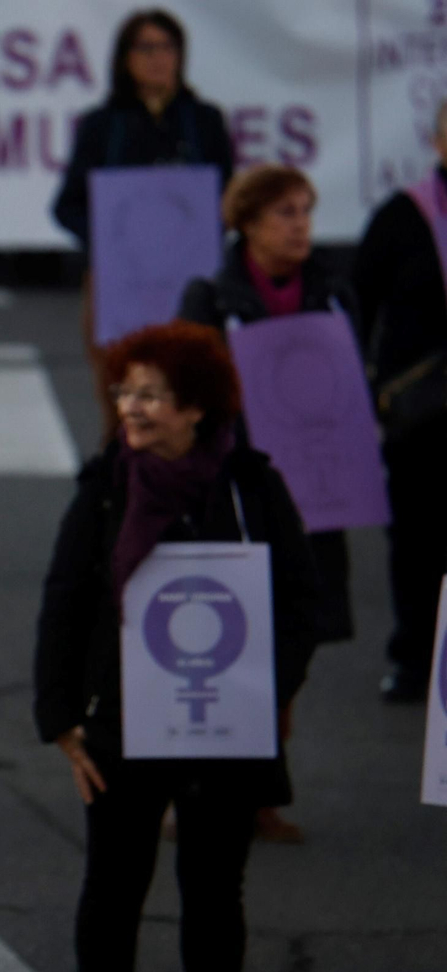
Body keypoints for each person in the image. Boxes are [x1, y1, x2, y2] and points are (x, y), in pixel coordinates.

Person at [33, 323, 320, 972]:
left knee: (216, 892)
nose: (131, 406)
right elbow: (64, 598)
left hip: (228, 724)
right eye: (126, 390)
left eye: (151, 394)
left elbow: (299, 601)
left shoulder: (253, 486)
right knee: (114, 884)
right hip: (124, 723)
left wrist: (267, 689)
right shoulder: (106, 489)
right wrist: (62, 720)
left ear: (197, 408)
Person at [178, 166, 358, 842]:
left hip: (315, 494)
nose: (300, 224)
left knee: (296, 636)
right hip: (237, 493)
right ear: (248, 224)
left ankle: (258, 785)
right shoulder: (211, 297)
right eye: (285, 212)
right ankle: (208, 787)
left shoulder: (334, 295)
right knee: (232, 639)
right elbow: (186, 389)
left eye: (307, 211)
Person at [51, 9, 234, 437]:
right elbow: (68, 206)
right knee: (124, 408)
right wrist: (112, 245)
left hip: (191, 282)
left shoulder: (204, 121)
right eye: (146, 48)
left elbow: (225, 199)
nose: (158, 58)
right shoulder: (103, 125)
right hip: (120, 287)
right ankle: (120, 495)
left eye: (167, 47)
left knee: (193, 401)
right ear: (125, 58)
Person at [351, 98, 447, 704]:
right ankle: (413, 655)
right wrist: (363, 395)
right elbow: (359, 308)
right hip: (422, 412)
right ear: (438, 140)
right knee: (416, 537)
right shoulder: (402, 216)